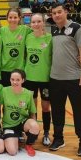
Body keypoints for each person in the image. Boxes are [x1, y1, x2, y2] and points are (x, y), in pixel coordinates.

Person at [49, 3, 81, 157]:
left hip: (74, 79)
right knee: (57, 111)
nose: (57, 15)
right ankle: (58, 139)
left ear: (66, 12)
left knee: (79, 112)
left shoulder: (77, 28)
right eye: (54, 13)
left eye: (59, 12)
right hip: (55, 79)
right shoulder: (52, 30)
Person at [24, 14, 53, 146]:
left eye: (39, 21)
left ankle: (46, 133)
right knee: (32, 108)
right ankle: (33, 132)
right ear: (30, 24)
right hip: (30, 78)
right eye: (33, 22)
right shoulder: (27, 37)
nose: (36, 24)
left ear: (43, 23)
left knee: (46, 107)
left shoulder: (49, 38)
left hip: (45, 78)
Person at [1, 70, 39, 156]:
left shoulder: (28, 94)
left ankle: (28, 145)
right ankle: (16, 136)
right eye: (12, 79)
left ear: (23, 80)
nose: (15, 82)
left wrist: (33, 131)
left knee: (35, 126)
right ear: (10, 80)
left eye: (18, 80)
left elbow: (32, 113)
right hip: (9, 125)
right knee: (12, 151)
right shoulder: (4, 91)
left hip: (22, 123)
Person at [0, 8, 31, 86]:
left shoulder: (25, 29)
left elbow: (37, 34)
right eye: (10, 17)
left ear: (19, 18)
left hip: (20, 69)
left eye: (15, 17)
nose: (12, 20)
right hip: (5, 69)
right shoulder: (2, 31)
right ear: (7, 18)